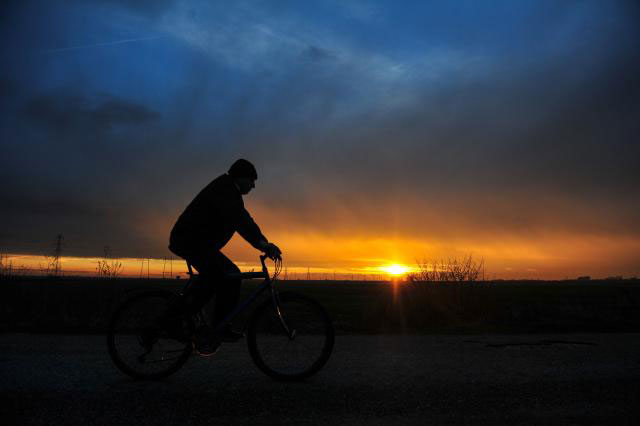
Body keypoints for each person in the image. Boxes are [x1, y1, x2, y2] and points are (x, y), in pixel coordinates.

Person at [166, 159, 281, 355]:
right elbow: (240, 220)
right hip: (190, 241)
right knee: (224, 275)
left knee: (224, 276)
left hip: (197, 242)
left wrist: (262, 242)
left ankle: (207, 323)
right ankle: (185, 321)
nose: (253, 185)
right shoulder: (225, 191)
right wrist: (263, 244)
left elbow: (243, 219)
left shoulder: (229, 190)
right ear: (241, 177)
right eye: (252, 180)